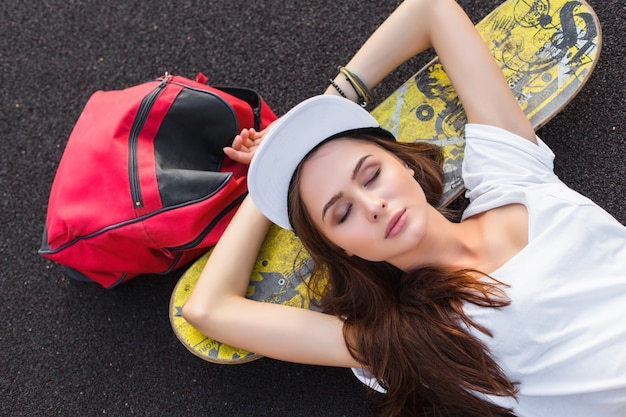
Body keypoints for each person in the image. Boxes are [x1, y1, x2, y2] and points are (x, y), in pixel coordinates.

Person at [182, 0, 626, 416]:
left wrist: (330, 104)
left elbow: (431, 10)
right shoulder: (407, 333)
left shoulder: (512, 178)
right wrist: (269, 179)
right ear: (340, 248)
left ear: (406, 165)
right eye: (341, 214)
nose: (372, 205)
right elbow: (208, 309)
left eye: (371, 173)